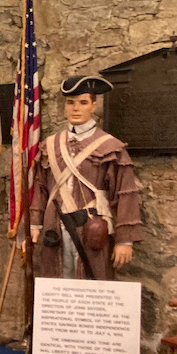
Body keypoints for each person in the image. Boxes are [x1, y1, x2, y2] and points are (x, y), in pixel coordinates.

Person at [30, 73, 143, 280]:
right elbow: (40, 188)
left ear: (93, 105)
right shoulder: (50, 146)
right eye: (70, 102)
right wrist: (34, 224)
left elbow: (125, 194)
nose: (75, 108)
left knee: (93, 289)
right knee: (54, 287)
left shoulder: (111, 147)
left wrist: (124, 241)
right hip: (54, 226)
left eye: (83, 103)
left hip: (93, 228)